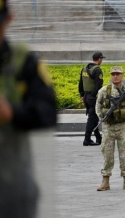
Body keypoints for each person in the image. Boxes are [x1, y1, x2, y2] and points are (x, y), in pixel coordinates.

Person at [0, 0, 57, 216]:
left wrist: (13, 113)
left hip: (11, 186)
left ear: (8, 19)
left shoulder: (23, 61)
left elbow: (48, 112)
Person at [95, 66, 125, 191]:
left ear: (122, 75)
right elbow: (98, 107)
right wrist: (105, 117)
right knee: (107, 155)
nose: (115, 76)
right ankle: (105, 181)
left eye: (118, 74)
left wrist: (122, 113)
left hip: (123, 127)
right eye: (113, 74)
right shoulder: (103, 91)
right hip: (108, 127)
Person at [78, 51, 104, 146]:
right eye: (101, 59)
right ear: (99, 59)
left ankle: (98, 138)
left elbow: (80, 83)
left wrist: (82, 95)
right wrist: (94, 95)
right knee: (92, 118)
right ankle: (87, 139)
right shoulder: (97, 70)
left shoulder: (84, 68)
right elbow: (98, 85)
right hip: (93, 97)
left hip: (86, 96)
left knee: (94, 117)